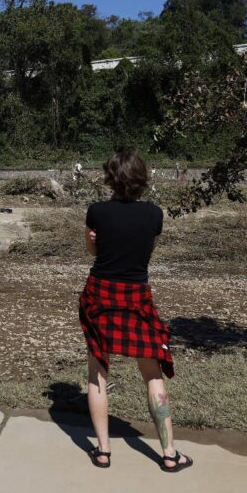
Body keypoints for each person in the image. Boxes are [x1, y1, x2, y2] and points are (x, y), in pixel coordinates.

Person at [79, 148, 193, 473]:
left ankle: (102, 451)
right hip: (136, 296)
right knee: (152, 373)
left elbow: (94, 252)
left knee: (97, 370)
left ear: (110, 178)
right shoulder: (154, 215)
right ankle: (169, 453)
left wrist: (91, 241)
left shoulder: (96, 212)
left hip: (100, 293)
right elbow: (146, 254)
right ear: (142, 179)